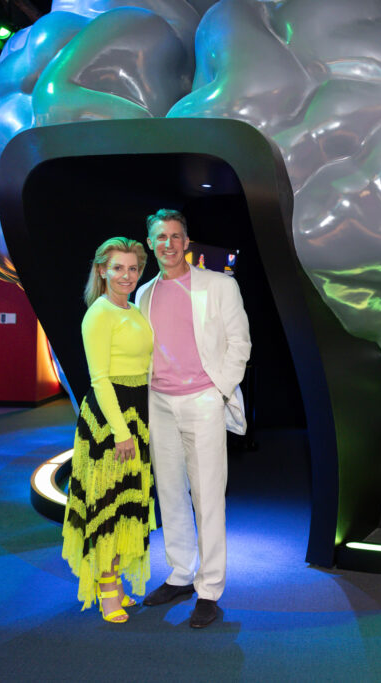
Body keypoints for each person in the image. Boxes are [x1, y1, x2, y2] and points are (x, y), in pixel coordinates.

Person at [137, 209, 251, 628]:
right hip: (160, 403)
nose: (168, 243)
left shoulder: (219, 285)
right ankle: (181, 574)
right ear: (150, 243)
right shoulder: (144, 294)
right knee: (169, 492)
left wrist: (219, 390)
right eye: (160, 237)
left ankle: (210, 588)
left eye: (175, 236)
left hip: (203, 400)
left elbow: (240, 342)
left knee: (207, 497)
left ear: (187, 242)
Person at [61, 237, 155, 624]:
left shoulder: (134, 311)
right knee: (107, 505)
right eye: (118, 268)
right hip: (108, 420)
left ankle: (114, 578)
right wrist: (120, 432)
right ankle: (106, 586)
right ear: (102, 270)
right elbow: (99, 379)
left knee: (128, 504)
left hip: (137, 416)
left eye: (133, 268)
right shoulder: (98, 314)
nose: (126, 275)